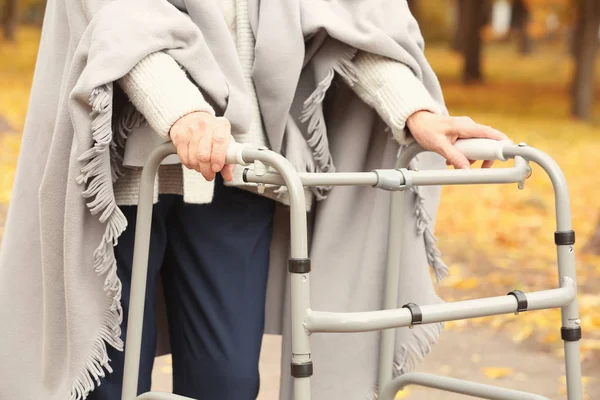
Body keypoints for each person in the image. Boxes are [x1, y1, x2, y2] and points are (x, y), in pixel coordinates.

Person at [0, 1, 510, 400]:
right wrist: (184, 115)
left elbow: (352, 18)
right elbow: (120, 20)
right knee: (112, 373)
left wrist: (417, 112)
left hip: (241, 169)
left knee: (228, 380)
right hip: (125, 176)